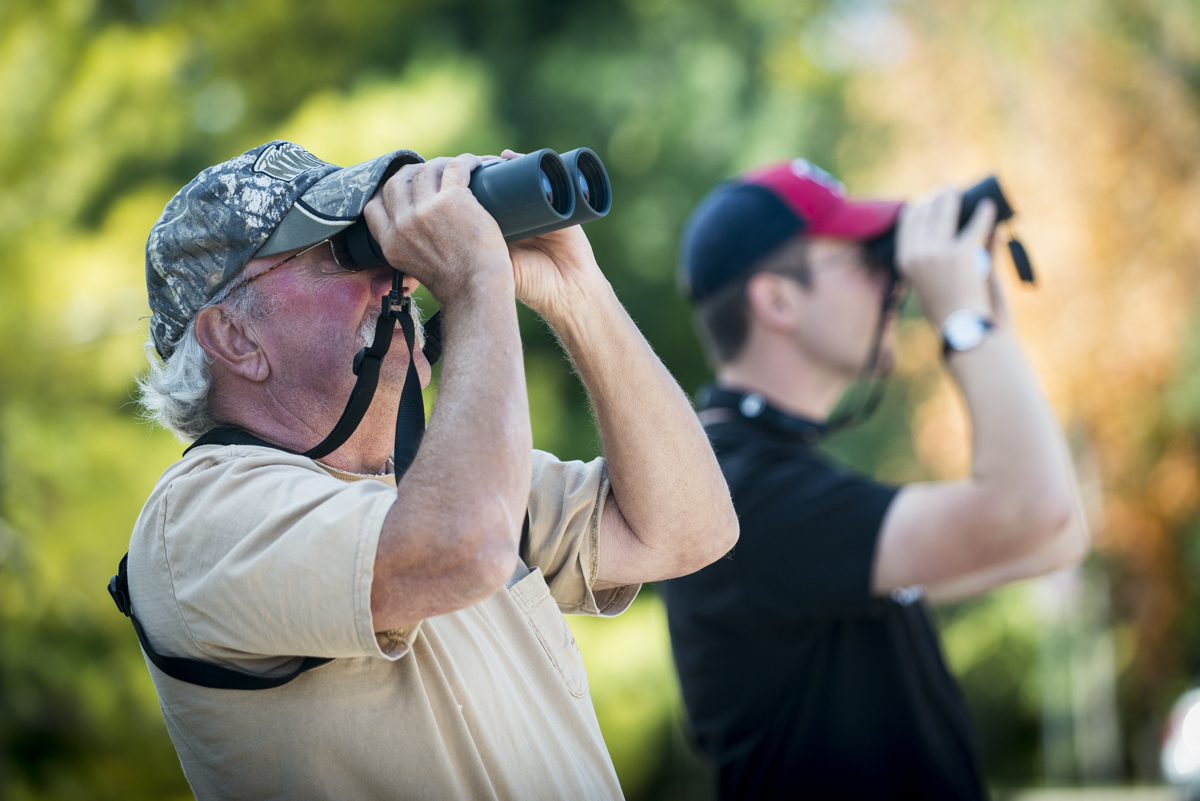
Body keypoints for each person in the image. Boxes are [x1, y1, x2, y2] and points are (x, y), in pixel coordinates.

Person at [121, 140, 738, 800]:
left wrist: (578, 295)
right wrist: (475, 282)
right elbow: (465, 546)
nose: (402, 277)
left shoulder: (435, 483)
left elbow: (688, 531)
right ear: (235, 339)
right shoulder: (195, 517)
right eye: (345, 251)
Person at [661, 159, 1090, 800]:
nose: (896, 282)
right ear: (777, 299)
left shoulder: (777, 470)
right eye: (869, 262)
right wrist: (967, 326)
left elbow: (1055, 538)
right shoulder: (738, 493)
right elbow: (1035, 513)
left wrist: (990, 330)